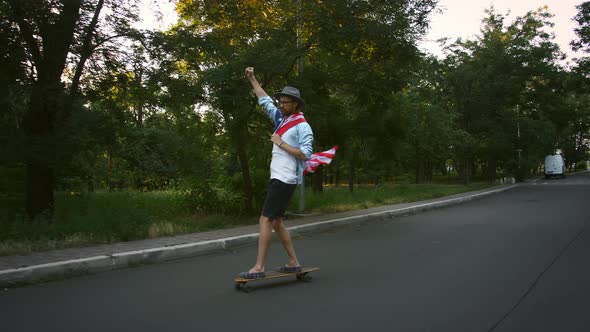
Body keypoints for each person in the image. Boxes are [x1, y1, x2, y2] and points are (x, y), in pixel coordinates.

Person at [239, 67, 313, 279]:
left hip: (285, 178)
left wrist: (281, 144)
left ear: (295, 104)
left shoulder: (302, 126)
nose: (281, 105)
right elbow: (264, 101)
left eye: (285, 102)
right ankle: (293, 262)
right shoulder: (282, 120)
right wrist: (253, 78)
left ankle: (259, 267)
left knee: (265, 220)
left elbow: (306, 154)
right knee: (277, 221)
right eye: (280, 102)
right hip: (279, 177)